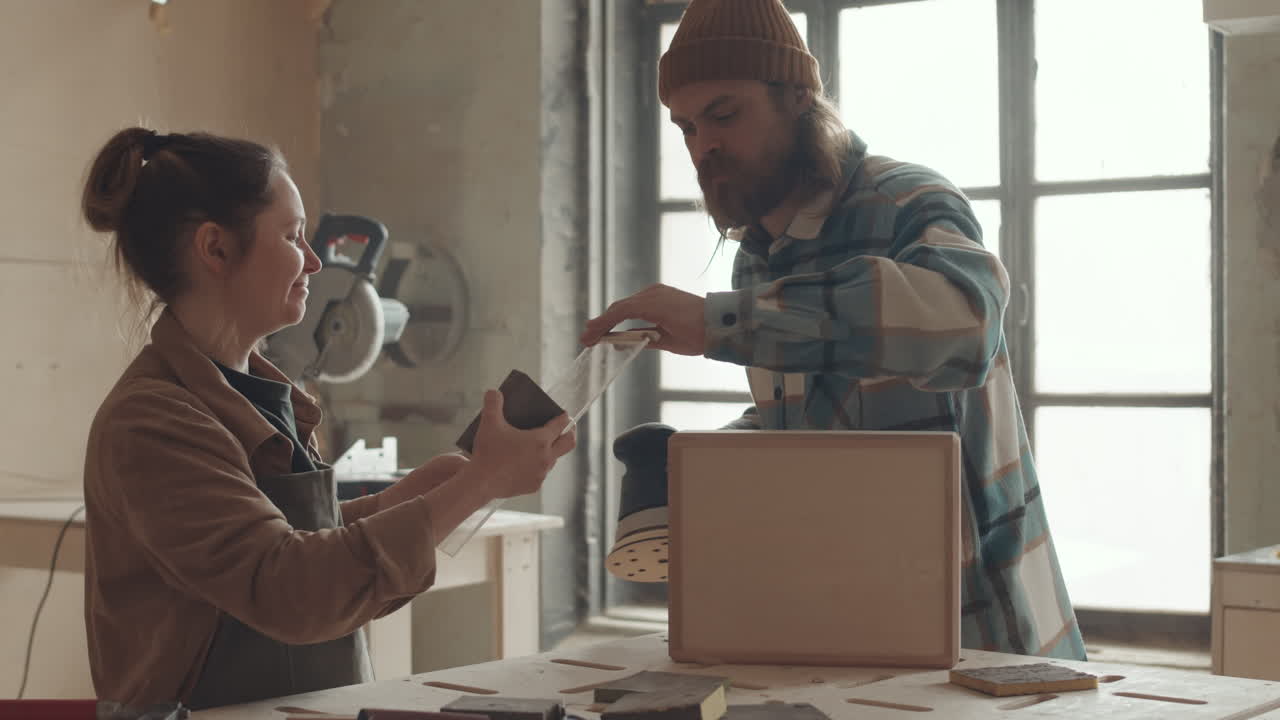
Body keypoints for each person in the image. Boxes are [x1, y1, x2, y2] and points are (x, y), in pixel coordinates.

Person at [580, 0, 1086, 660]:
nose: (704, 145)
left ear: (797, 98)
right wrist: (701, 469)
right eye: (686, 126)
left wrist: (717, 320)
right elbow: (819, 417)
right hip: (851, 618)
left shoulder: (909, 200)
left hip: (985, 631)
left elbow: (962, 325)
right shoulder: (757, 254)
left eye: (725, 114)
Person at [80, 127, 576, 709]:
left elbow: (288, 539)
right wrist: (479, 483)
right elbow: (290, 588)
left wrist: (413, 496)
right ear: (215, 249)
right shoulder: (153, 422)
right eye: (293, 236)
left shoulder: (257, 394)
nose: (314, 262)